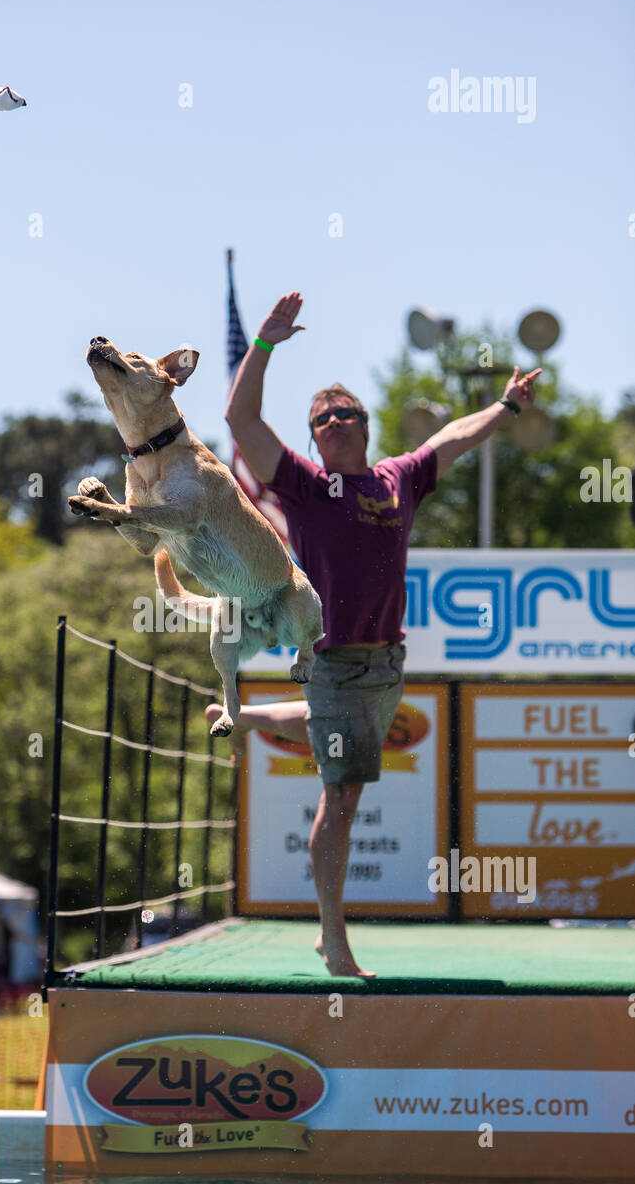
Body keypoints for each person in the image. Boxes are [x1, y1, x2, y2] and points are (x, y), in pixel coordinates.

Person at [218, 291, 542, 977]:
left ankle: (244, 716)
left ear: (363, 425)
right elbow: (239, 418)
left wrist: (506, 406)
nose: (333, 420)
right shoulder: (303, 486)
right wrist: (267, 344)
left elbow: (452, 436)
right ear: (313, 440)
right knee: (340, 798)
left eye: (343, 412)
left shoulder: (398, 480)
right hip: (332, 661)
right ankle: (333, 942)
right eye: (321, 419)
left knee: (338, 743)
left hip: (386, 664)